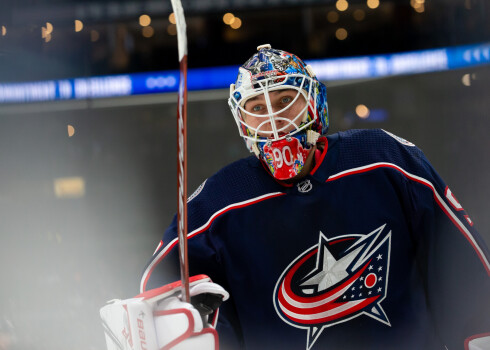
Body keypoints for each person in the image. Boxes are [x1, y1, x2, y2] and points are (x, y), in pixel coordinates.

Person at [103, 45, 490, 350]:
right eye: (257, 108)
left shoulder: (385, 159)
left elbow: (458, 262)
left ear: (314, 102)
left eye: (285, 99)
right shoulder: (214, 207)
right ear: (243, 122)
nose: (272, 119)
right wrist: (155, 322)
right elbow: (153, 297)